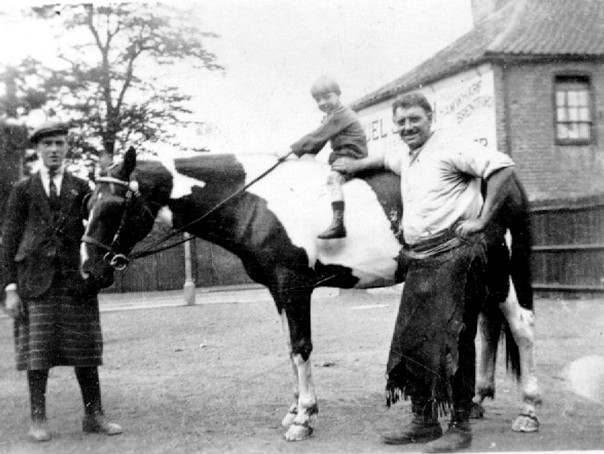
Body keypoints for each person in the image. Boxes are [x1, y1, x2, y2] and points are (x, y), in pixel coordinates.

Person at [333, 92, 515, 453]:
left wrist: (483, 220)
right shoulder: (406, 153)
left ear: (431, 116)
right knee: (413, 343)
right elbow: (384, 156)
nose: (406, 127)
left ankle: (460, 427)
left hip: (458, 256)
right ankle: (424, 422)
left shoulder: (451, 146)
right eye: (400, 122)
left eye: (414, 119)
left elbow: (503, 167)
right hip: (420, 259)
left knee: (455, 341)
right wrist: (350, 167)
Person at [1, 121, 123, 442]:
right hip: (35, 283)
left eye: (60, 143)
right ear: (38, 150)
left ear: (67, 147)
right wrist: (9, 289)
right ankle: (37, 419)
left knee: (85, 353)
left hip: (75, 281)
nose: (54, 149)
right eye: (48, 144)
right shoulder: (22, 190)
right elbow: (9, 242)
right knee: (37, 355)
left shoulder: (82, 187)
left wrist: (106, 177)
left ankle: (94, 415)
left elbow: (100, 212)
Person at [284, 75, 368, 239]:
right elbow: (317, 144)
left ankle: (338, 224)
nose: (322, 103)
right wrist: (299, 159)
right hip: (340, 156)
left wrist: (289, 150)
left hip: (352, 157)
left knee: (332, 179)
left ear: (338, 94)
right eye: (318, 100)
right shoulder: (331, 116)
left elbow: (316, 136)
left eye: (327, 97)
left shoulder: (342, 114)